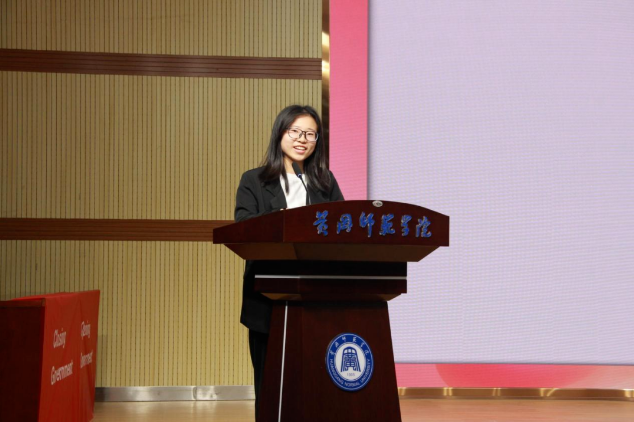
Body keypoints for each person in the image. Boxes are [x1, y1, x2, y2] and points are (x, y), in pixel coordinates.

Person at [234, 105, 344, 418]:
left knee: (314, 384)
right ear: (280, 134)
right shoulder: (254, 180)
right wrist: (281, 221)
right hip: (268, 296)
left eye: (310, 134)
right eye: (294, 131)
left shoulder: (325, 181)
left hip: (316, 295)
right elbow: (243, 226)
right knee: (270, 383)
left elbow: (342, 224)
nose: (302, 139)